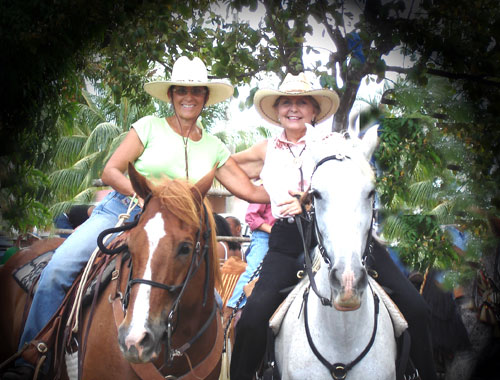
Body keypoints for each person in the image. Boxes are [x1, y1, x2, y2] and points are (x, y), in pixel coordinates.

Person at [3, 56, 269, 380]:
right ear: (170, 95)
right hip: (122, 210)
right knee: (60, 267)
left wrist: (299, 192)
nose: (189, 97)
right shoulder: (148, 127)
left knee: (212, 302)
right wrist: (145, 197)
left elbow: (250, 191)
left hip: (174, 232)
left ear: (205, 97)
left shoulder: (214, 147)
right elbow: (110, 170)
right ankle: (32, 356)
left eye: (197, 91)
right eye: (181, 91)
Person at [228, 73, 437, 380]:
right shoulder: (266, 149)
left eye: (302, 102)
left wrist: (308, 200)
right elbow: (226, 165)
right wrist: (263, 195)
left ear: (314, 110)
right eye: (286, 102)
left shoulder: (335, 144)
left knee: (416, 309)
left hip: (346, 235)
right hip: (289, 240)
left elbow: (349, 184)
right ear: (277, 110)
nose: (293, 108)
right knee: (252, 318)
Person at [225, 200, 275, 311]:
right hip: (265, 235)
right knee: (254, 270)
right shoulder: (266, 187)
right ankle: (232, 309)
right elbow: (251, 215)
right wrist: (272, 230)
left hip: (287, 235)